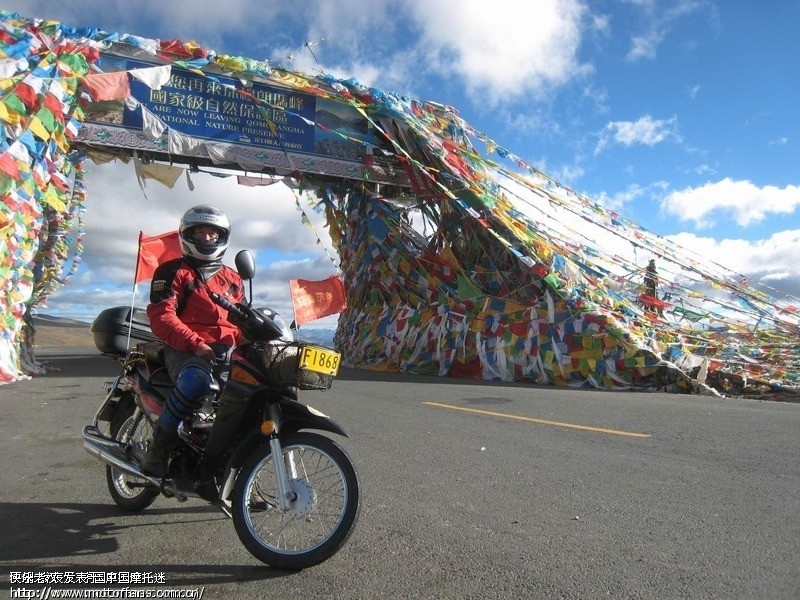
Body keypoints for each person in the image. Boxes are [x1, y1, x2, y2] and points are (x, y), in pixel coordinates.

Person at [141, 205, 245, 477]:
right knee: (196, 382)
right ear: (187, 235)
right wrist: (196, 343)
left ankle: (243, 475)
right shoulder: (171, 271)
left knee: (252, 400)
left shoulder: (233, 279)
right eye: (201, 232)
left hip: (226, 352)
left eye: (214, 234)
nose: (208, 239)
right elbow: (162, 317)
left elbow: (242, 320)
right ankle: (159, 448)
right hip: (185, 349)